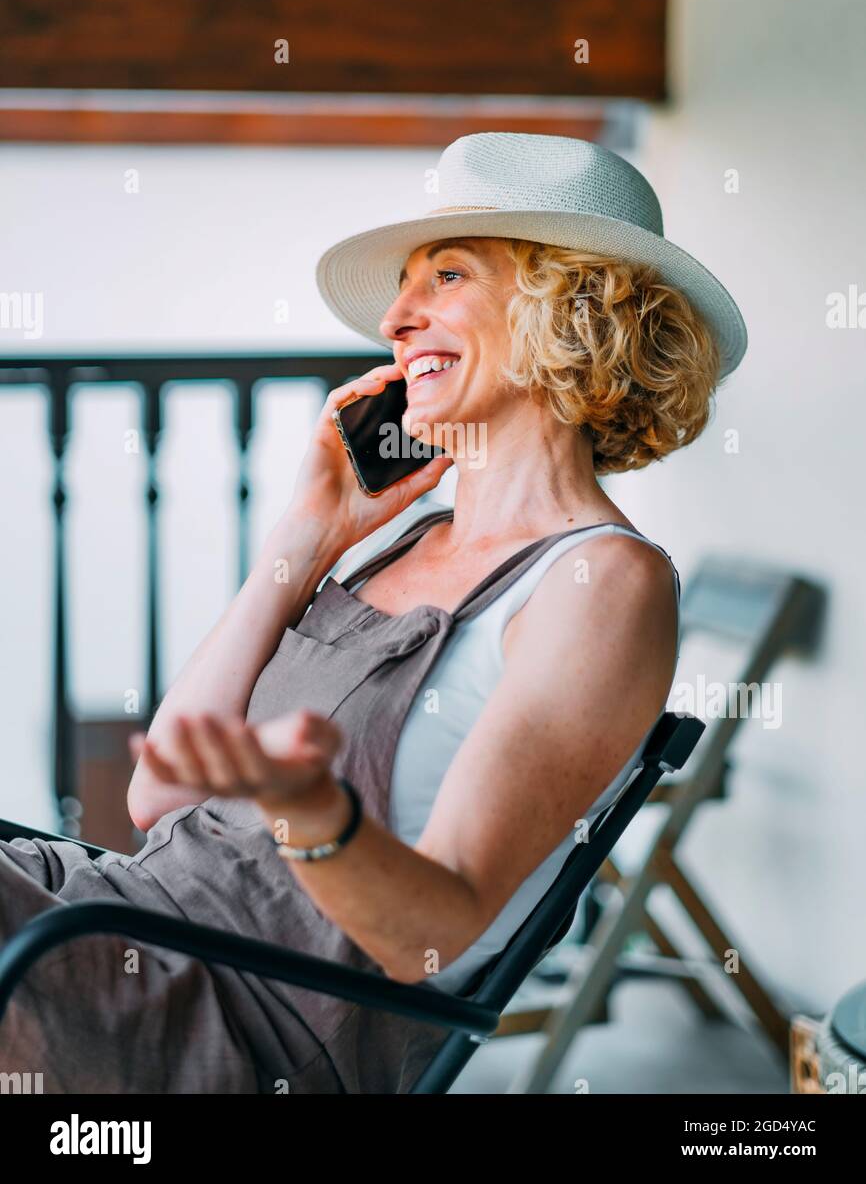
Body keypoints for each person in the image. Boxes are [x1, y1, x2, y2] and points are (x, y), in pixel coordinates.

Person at [0, 132, 746, 1094]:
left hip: (223, 1023)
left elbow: (432, 937)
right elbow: (158, 801)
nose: (397, 318)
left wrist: (312, 812)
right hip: (115, 918)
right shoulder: (401, 543)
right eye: (405, 288)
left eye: (446, 276)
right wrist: (309, 535)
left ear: (571, 308)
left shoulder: (600, 583)